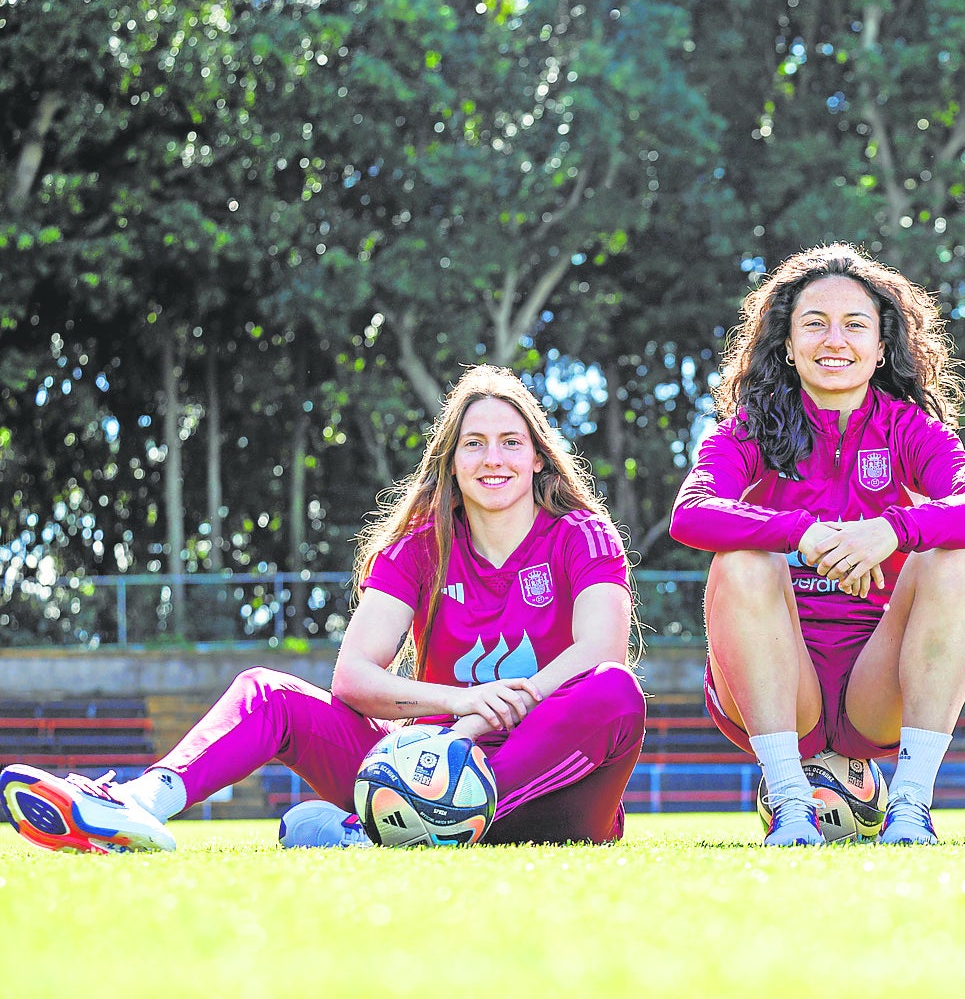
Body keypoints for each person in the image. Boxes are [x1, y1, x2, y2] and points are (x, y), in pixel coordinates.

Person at [1, 365, 646, 853]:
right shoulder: (420, 549)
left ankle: (383, 832)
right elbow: (354, 679)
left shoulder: (581, 534)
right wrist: (458, 708)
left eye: (510, 442)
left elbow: (601, 653)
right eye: (473, 444)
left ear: (537, 458)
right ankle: (139, 803)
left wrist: (501, 709)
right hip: (423, 768)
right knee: (268, 693)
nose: (493, 459)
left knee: (616, 692)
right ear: (450, 464)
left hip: (557, 798)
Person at [671, 244, 965, 845]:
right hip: (777, 683)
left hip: (874, 691)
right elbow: (691, 513)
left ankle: (910, 808)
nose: (835, 341)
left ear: (882, 348)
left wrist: (891, 531)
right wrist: (802, 534)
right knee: (744, 559)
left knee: (955, 559)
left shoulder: (910, 428)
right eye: (815, 324)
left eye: (855, 326)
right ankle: (791, 807)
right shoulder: (750, 427)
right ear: (788, 343)